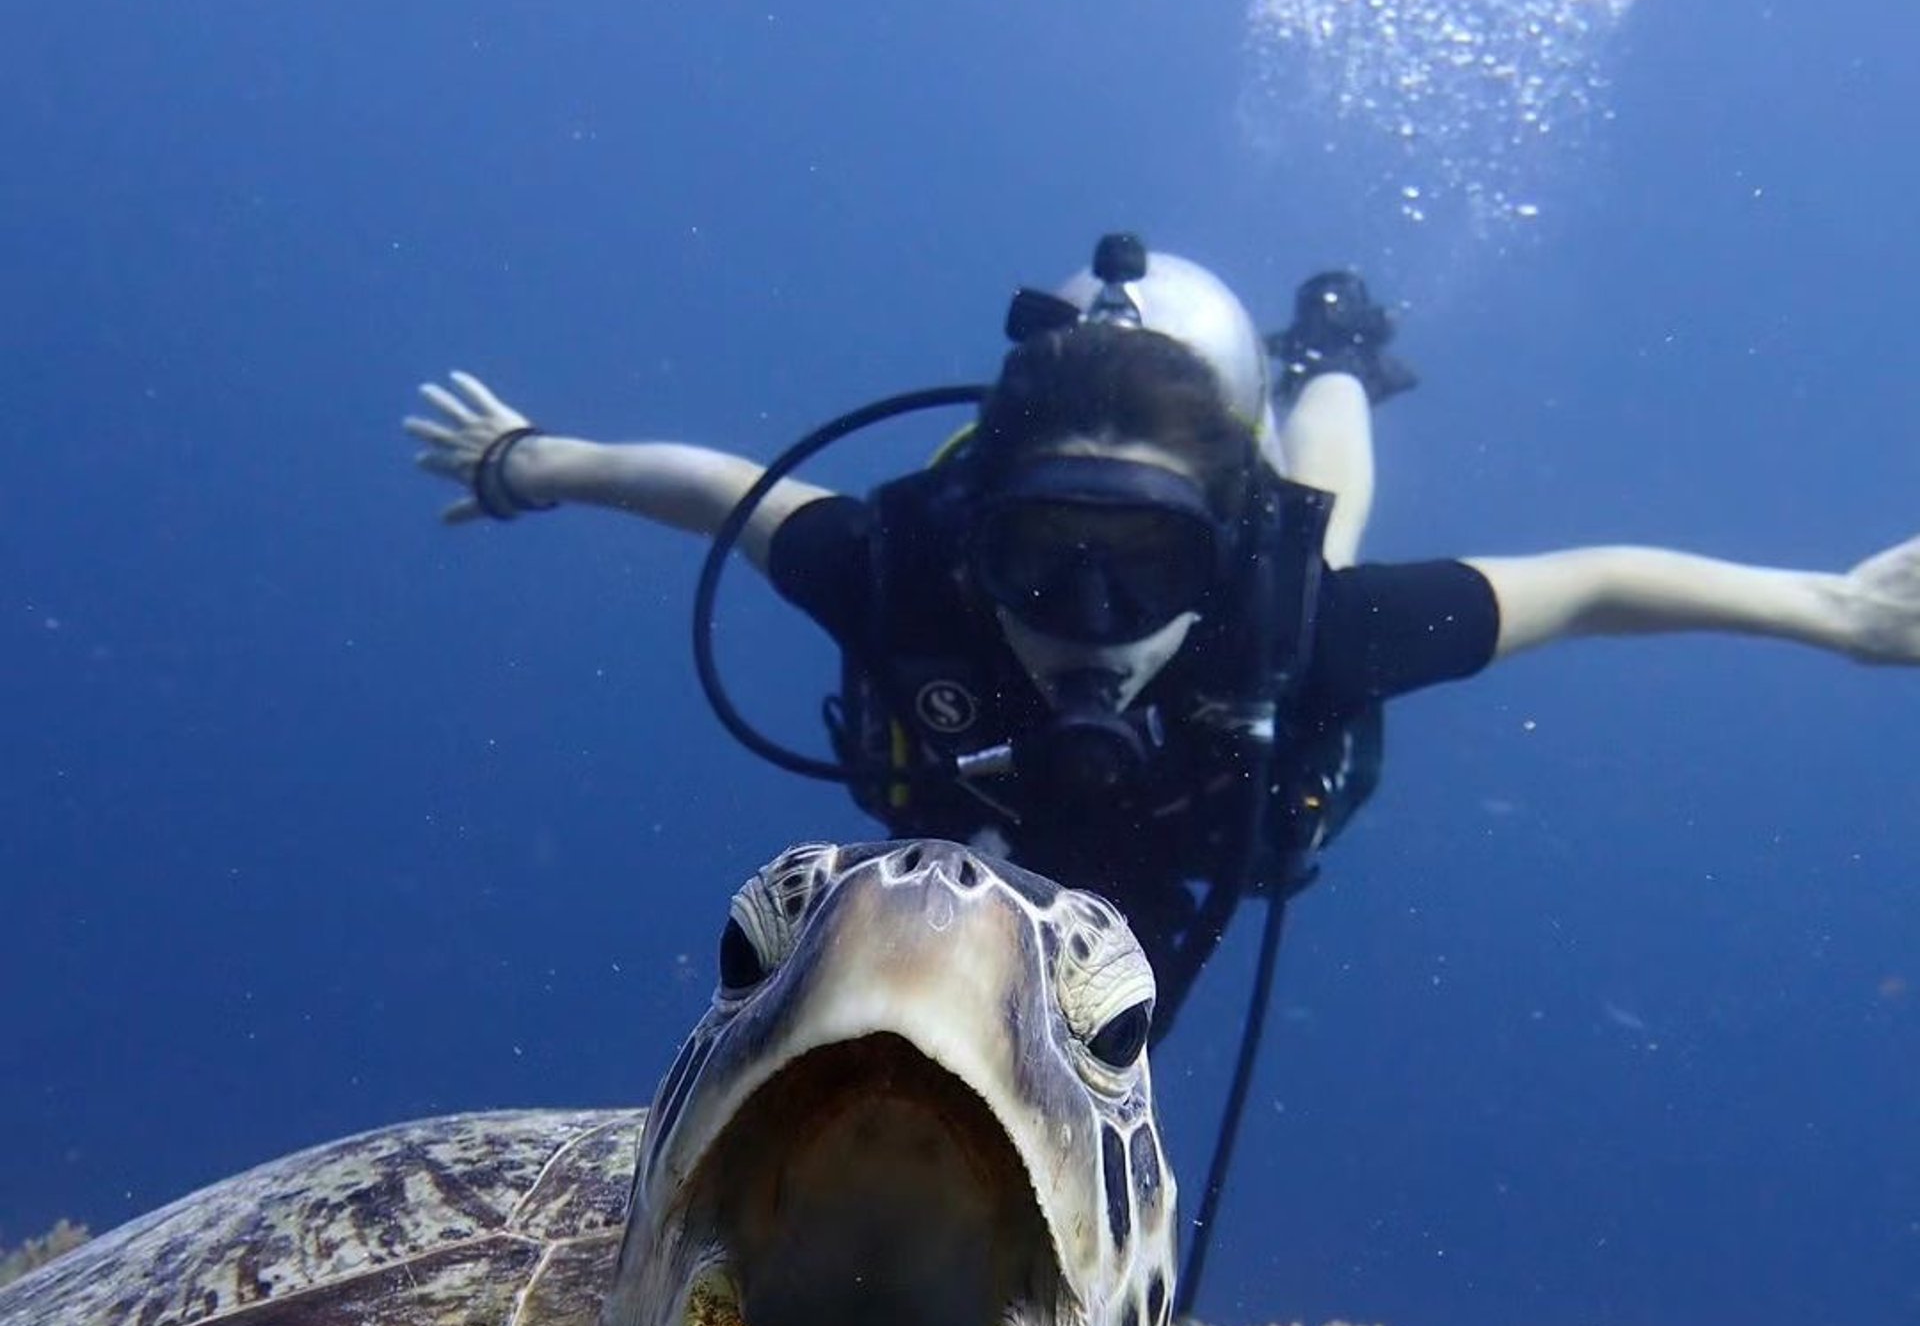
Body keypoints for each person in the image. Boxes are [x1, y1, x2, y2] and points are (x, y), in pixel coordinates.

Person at [407, 234, 1920, 1038]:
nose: (1093, 623)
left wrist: (1841, 614)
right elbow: (721, 493)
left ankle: (1327, 356)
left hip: (1237, 719)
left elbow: (1583, 584)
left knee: (1326, 517)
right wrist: (532, 461)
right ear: (974, 532)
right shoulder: (903, 565)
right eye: (1043, 564)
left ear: (1214, 552)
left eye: (1147, 569)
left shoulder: (1288, 615)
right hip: (1039, 796)